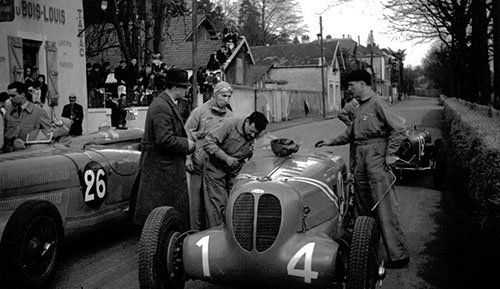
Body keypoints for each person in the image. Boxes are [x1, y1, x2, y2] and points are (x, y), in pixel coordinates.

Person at [315, 69, 409, 269]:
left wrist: (391, 154)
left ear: (363, 84)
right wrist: (330, 141)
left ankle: (398, 255)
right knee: (361, 208)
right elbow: (351, 132)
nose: (349, 89)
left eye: (351, 85)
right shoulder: (359, 108)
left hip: (377, 156)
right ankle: (364, 251)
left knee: (385, 208)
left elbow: (399, 128)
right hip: (361, 157)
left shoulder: (379, 103)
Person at [132, 68, 195, 228]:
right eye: (184, 87)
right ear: (175, 87)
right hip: (162, 170)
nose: (187, 90)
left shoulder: (165, 103)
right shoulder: (162, 107)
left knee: (163, 218)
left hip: (163, 169)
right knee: (163, 219)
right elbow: (164, 139)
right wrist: (186, 144)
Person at [203, 111, 268, 228]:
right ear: (247, 122)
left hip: (235, 172)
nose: (253, 136)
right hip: (216, 170)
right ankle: (217, 233)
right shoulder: (229, 124)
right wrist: (226, 158)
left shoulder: (256, 134)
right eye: (251, 131)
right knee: (218, 205)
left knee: (237, 201)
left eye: (256, 134)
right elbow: (208, 142)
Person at [184, 81, 235, 231]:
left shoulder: (231, 116)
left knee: (214, 205)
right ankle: (194, 234)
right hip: (198, 166)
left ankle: (213, 234)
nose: (226, 100)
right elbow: (186, 134)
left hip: (217, 169)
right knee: (196, 203)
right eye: (223, 95)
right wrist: (187, 157)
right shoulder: (199, 112)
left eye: (229, 96)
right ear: (215, 94)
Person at [3, 81, 51, 152]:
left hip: (29, 156)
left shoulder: (39, 112)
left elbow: (50, 134)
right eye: (9, 96)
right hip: (10, 155)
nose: (10, 99)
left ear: (22, 94)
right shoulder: (8, 113)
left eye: (13, 96)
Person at [337, 92, 360, 173]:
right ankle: (353, 171)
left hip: (363, 132)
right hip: (354, 132)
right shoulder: (349, 105)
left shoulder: (363, 104)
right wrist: (349, 123)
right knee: (354, 151)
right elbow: (340, 114)